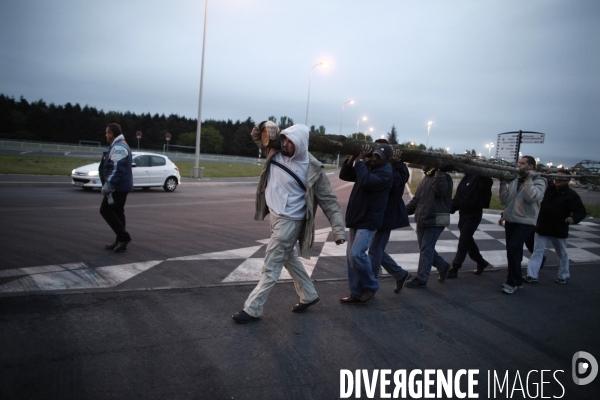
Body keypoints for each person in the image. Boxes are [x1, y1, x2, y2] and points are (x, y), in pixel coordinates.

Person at [232, 122, 346, 324]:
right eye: (284, 139)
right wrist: (265, 125)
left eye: (290, 142)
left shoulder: (313, 169)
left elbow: (329, 201)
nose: (285, 144)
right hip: (276, 217)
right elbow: (257, 135)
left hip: (290, 222)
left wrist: (338, 231)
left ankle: (253, 308)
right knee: (288, 258)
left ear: (301, 144)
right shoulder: (274, 152)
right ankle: (309, 295)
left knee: (271, 265)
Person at [339, 143, 393, 303]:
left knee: (357, 254)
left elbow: (366, 181)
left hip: (369, 220)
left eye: (379, 157)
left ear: (387, 160)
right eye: (374, 155)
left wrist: (361, 161)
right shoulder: (370, 166)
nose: (374, 159)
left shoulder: (386, 173)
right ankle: (355, 293)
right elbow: (346, 175)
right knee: (351, 257)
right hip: (357, 217)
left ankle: (371, 285)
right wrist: (353, 158)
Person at [524, 170, 586, 284]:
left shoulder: (571, 195)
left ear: (567, 180)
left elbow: (581, 211)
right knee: (537, 252)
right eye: (556, 177)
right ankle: (531, 275)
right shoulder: (547, 189)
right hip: (542, 227)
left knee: (561, 253)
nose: (557, 179)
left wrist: (573, 218)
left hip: (559, 228)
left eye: (561, 178)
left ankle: (563, 275)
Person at [367, 140, 412, 293]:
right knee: (376, 250)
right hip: (377, 213)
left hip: (387, 215)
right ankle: (400, 274)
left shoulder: (400, 169)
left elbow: (395, 186)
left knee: (374, 251)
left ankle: (370, 285)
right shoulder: (377, 164)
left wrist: (393, 165)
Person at [499, 156, 547, 294]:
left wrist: (528, 179)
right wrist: (503, 183)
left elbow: (531, 197)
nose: (519, 165)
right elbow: (504, 200)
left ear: (531, 166)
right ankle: (517, 280)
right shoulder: (515, 179)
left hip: (526, 221)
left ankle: (512, 282)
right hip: (511, 220)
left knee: (514, 248)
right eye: (518, 163)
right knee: (513, 251)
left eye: (522, 163)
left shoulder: (540, 181)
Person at [405, 165, 453, 288]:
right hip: (423, 218)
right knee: (426, 250)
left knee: (426, 249)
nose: (422, 166)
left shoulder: (445, 178)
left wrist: (440, 173)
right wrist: (402, 211)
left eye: (424, 163)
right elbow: (416, 200)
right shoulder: (425, 179)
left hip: (436, 220)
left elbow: (440, 191)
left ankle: (421, 278)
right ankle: (443, 266)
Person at [447, 174, 493, 278]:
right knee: (467, 240)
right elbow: (459, 196)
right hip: (463, 213)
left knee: (464, 240)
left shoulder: (483, 178)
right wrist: (450, 208)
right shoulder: (467, 177)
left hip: (474, 213)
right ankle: (480, 261)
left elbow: (486, 185)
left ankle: (455, 267)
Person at [99, 123, 133, 253]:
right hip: (121, 186)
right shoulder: (118, 145)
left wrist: (108, 185)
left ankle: (124, 237)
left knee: (105, 211)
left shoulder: (119, 147)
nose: (106, 135)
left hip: (117, 187)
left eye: (107, 132)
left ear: (112, 134)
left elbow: (117, 169)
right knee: (118, 212)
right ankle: (120, 240)